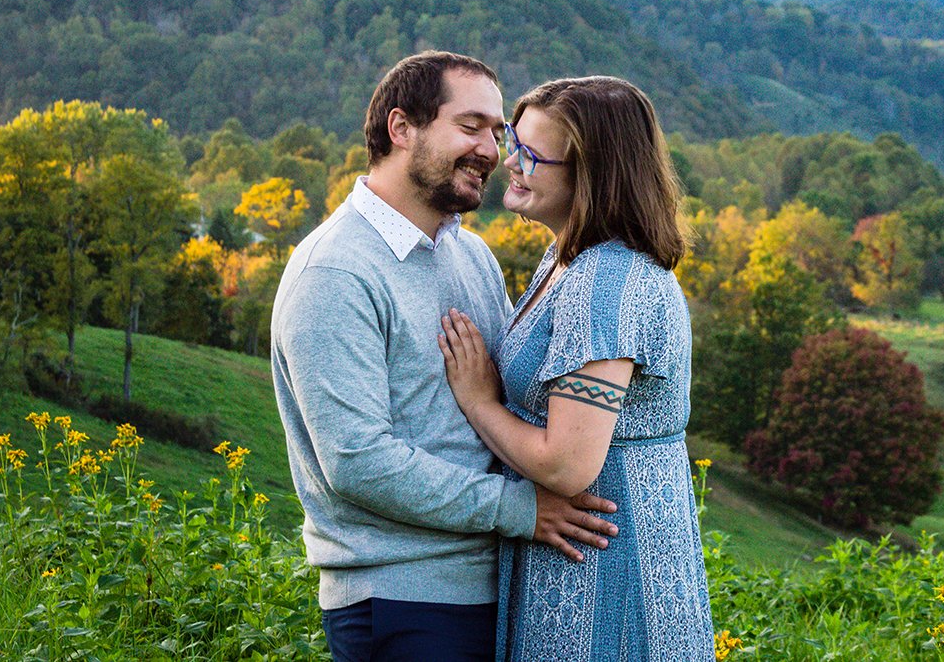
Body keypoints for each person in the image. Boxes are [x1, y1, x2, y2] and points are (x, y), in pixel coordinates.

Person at [270, 52, 619, 662]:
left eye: (496, 131)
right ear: (402, 129)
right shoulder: (336, 271)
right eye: (470, 126)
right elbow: (357, 462)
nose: (492, 149)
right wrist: (518, 508)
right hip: (405, 598)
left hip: (501, 586)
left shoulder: (471, 257)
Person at [437, 75, 714, 661]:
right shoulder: (566, 260)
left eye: (533, 155)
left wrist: (479, 400)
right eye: (516, 141)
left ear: (592, 175)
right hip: (575, 566)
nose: (509, 162)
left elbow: (566, 465)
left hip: (608, 581)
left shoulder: (606, 284)